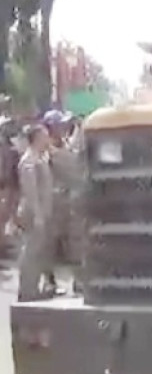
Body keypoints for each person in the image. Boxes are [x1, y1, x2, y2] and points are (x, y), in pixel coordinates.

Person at [44, 110, 85, 294]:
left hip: (70, 202)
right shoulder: (46, 150)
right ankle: (49, 282)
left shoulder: (66, 145)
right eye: (59, 124)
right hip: (53, 203)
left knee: (76, 242)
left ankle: (79, 282)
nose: (63, 127)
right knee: (49, 245)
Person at [16, 123, 57, 300]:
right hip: (33, 214)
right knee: (31, 252)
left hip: (42, 213)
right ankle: (27, 290)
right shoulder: (29, 161)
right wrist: (38, 215)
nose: (47, 139)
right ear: (37, 138)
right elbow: (30, 190)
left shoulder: (40, 158)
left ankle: (33, 287)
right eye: (44, 136)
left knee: (38, 251)